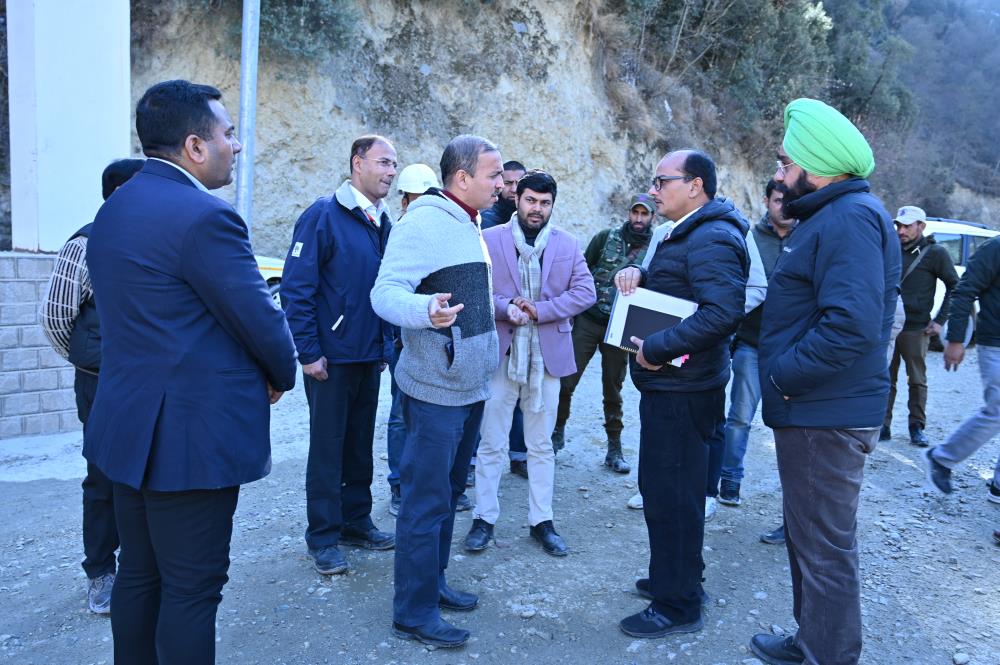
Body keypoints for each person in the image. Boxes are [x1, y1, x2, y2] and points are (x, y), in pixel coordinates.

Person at [83, 80, 298, 664]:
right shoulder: (206, 218)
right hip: (189, 440)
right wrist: (282, 373)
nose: (236, 145)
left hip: (127, 430)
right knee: (191, 589)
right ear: (194, 146)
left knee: (140, 576)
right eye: (228, 133)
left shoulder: (114, 208)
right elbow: (259, 319)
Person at [750, 98, 900, 665]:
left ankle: (827, 656)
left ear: (820, 166)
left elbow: (852, 326)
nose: (781, 176)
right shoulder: (837, 215)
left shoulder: (850, 218)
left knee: (825, 549)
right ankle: (812, 642)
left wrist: (781, 376)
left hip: (824, 413)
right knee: (810, 540)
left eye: (789, 164)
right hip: (818, 409)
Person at [371, 135, 503, 649]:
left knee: (449, 496)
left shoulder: (470, 223)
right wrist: (426, 312)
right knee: (425, 503)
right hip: (433, 390)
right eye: (492, 175)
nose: (500, 184)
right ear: (462, 178)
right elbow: (384, 294)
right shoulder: (423, 221)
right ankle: (413, 611)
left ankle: (435, 583)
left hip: (468, 387)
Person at [614, 150, 749, 638]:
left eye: (661, 180)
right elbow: (684, 290)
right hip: (677, 386)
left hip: (683, 388)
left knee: (673, 495)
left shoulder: (711, 235)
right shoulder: (689, 231)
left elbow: (721, 312)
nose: (653, 189)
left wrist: (657, 347)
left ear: (694, 186)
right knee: (667, 489)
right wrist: (641, 276)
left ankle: (678, 604)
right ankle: (677, 578)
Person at [281, 135, 398, 575]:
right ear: (357, 163)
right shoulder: (323, 216)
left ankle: (356, 520)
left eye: (393, 165)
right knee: (328, 449)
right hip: (329, 360)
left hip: (368, 356)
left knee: (359, 446)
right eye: (383, 163)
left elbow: (381, 289)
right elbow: (296, 289)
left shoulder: (381, 221)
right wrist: (308, 352)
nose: (390, 171)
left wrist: (385, 343)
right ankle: (324, 537)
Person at [464, 170, 596, 556]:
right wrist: (508, 309)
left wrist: (540, 310)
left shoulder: (568, 244)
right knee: (491, 443)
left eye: (545, 203)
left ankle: (542, 520)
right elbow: (476, 293)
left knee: (541, 445)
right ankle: (484, 519)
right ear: (516, 198)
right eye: (530, 201)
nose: (537, 209)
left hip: (547, 359)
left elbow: (585, 292)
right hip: (502, 355)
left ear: (552, 205)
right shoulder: (488, 239)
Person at [40, 157, 144, 614]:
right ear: (120, 193)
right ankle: (101, 572)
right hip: (101, 384)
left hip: (149, 382)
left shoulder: (154, 240)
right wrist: (93, 362)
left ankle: (141, 565)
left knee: (146, 476)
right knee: (103, 477)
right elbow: (56, 318)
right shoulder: (84, 244)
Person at [554, 194, 656, 474]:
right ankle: (556, 434)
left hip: (621, 327)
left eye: (644, 214)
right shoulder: (604, 237)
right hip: (588, 320)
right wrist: (571, 312)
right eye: (634, 212)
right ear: (628, 213)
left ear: (652, 217)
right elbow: (581, 274)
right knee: (565, 380)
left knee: (613, 388)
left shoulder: (654, 249)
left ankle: (614, 448)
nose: (638, 219)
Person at [386, 163, 455, 517]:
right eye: (415, 197)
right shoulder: (401, 231)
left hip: (437, 343)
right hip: (403, 343)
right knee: (401, 416)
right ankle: (399, 484)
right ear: (404, 199)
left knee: (432, 419)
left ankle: (433, 483)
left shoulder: (441, 230)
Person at [925, 235, 1000, 503]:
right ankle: (942, 457)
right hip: (996, 344)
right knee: (998, 409)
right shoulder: (995, 248)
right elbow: (964, 291)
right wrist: (955, 339)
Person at [882, 205, 959, 446]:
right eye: (899, 225)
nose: (901, 230)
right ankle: (882, 425)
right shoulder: (889, 247)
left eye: (907, 226)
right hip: (889, 325)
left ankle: (916, 426)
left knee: (916, 379)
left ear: (921, 226)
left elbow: (955, 287)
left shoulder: (936, 253)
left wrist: (940, 321)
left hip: (917, 328)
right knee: (884, 377)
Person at [479, 159, 529, 476]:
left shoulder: (533, 223)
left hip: (522, 322)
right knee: (488, 394)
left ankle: (519, 454)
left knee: (521, 389)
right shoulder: (485, 223)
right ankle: (477, 459)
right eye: (506, 182)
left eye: (518, 184)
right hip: (492, 319)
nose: (512, 189)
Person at [480, 160, 526, 229]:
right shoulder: (488, 216)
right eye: (508, 183)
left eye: (519, 183)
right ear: (499, 184)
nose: (514, 189)